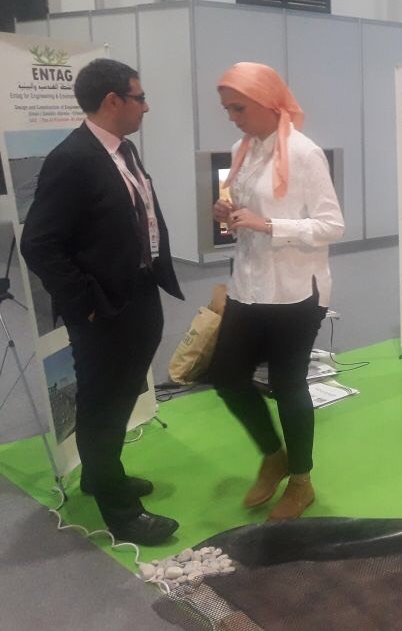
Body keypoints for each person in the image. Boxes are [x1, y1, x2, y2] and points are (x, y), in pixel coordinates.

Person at [21, 58, 184, 545]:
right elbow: (39, 244)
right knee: (102, 405)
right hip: (102, 308)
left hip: (137, 293)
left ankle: (98, 474)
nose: (146, 106)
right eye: (139, 97)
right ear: (113, 100)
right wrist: (84, 303)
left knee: (120, 394)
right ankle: (122, 513)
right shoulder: (72, 159)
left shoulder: (123, 150)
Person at [208, 62, 344, 520]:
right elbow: (243, 209)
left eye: (239, 108)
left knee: (288, 385)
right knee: (226, 376)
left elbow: (332, 226)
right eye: (227, 109)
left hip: (295, 292)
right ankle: (273, 454)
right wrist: (228, 213)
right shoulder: (241, 150)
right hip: (248, 285)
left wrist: (269, 225)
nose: (232, 118)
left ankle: (301, 481)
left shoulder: (305, 154)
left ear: (269, 103)